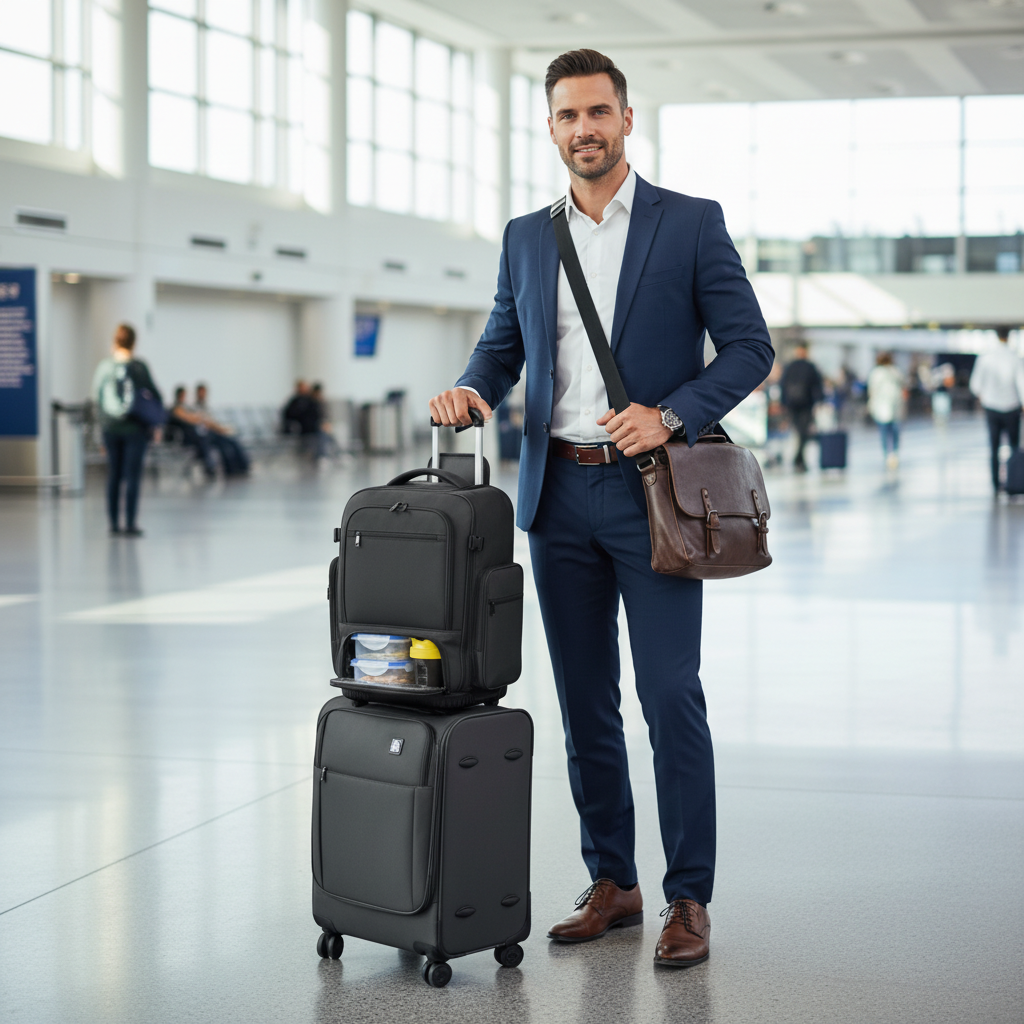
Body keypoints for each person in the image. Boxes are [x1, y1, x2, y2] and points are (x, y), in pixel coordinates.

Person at [429, 49, 773, 969]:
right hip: (558, 492)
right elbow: (504, 342)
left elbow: (748, 348)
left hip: (653, 496)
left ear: (627, 118)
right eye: (567, 115)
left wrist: (669, 416)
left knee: (669, 697)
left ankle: (688, 897)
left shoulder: (690, 224)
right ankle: (613, 880)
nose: (583, 128)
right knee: (585, 704)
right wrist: (472, 388)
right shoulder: (527, 236)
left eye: (598, 112)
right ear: (550, 128)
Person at [92, 323, 162, 536]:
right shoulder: (139, 366)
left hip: (111, 428)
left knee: (114, 475)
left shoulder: (105, 366)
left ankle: (113, 524)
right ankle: (130, 523)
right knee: (132, 476)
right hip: (135, 429)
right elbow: (155, 395)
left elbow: (96, 399)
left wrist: (101, 429)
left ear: (115, 341)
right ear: (134, 342)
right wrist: (156, 424)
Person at [969, 327, 1024, 493]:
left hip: (992, 408)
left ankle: (995, 484)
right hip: (1012, 407)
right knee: (1014, 447)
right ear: (1009, 338)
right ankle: (1014, 481)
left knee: (994, 447)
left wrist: (985, 397)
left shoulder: (985, 358)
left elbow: (975, 386)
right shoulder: (1015, 357)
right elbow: (1022, 383)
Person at [780, 344, 823, 472]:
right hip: (802, 404)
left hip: (798, 404)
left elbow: (783, 384)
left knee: (801, 432)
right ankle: (799, 459)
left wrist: (783, 402)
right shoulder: (809, 366)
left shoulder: (791, 366)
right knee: (802, 432)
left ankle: (798, 459)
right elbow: (817, 385)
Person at [194, 383, 250, 476]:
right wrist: (219, 428)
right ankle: (231, 469)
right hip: (205, 435)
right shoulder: (194, 407)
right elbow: (205, 423)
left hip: (214, 432)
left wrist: (220, 428)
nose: (202, 394)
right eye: (201, 392)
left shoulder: (207, 407)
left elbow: (212, 421)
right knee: (225, 443)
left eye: (204, 392)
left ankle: (242, 466)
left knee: (232, 441)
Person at [167, 386, 218, 478]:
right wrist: (199, 418)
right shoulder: (177, 409)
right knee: (203, 442)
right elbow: (189, 419)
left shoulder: (183, 408)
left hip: (190, 436)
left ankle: (209, 466)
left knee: (204, 441)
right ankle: (209, 467)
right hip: (182, 438)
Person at [867, 352, 905, 470]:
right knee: (894, 432)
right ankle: (893, 453)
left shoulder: (876, 373)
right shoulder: (894, 371)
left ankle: (887, 454)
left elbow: (872, 390)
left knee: (884, 433)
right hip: (892, 406)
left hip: (883, 407)